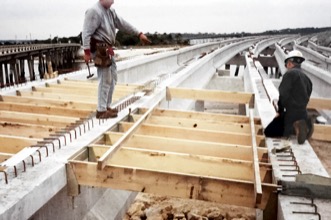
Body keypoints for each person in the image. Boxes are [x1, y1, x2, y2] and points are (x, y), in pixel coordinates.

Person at [82, 0, 151, 119]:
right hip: (99, 48)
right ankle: (101, 110)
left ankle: (106, 106)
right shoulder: (94, 11)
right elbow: (86, 33)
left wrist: (139, 34)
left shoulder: (111, 11)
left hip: (107, 49)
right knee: (104, 78)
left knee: (112, 78)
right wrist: (87, 52)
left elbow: (123, 24)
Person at [264, 50, 314, 144]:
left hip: (291, 113)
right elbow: (308, 95)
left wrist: (280, 111)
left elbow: (283, 94)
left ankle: (294, 127)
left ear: (290, 63)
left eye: (286, 65)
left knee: (269, 131)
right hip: (303, 112)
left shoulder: (290, 74)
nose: (286, 67)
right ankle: (305, 123)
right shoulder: (307, 79)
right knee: (290, 125)